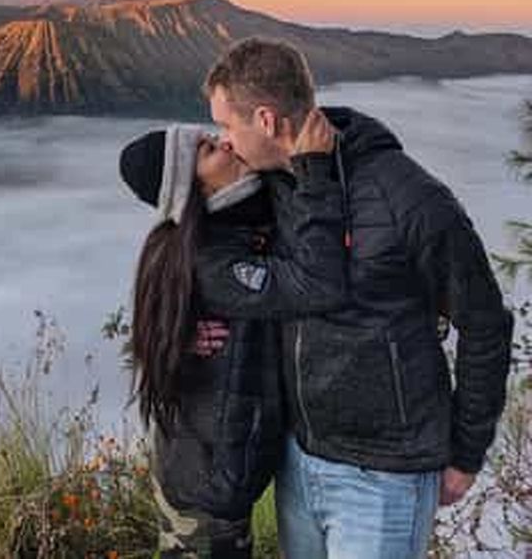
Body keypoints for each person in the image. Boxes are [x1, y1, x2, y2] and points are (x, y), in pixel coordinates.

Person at [197, 37, 514, 559]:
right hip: (298, 461)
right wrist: (187, 327)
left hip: (385, 476)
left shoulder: (407, 198)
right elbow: (216, 262)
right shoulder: (270, 192)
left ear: (267, 120)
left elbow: (484, 324)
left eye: (228, 126)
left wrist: (466, 454)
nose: (223, 141)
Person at [119, 116, 346, 559]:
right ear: (190, 189)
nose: (224, 144)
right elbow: (317, 285)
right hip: (207, 483)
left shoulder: (215, 235)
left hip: (203, 464)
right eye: (206, 150)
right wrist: (315, 174)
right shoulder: (213, 260)